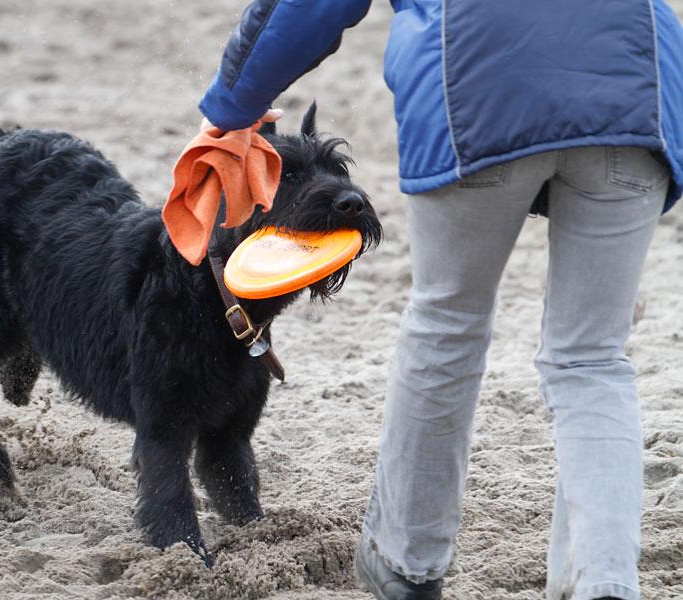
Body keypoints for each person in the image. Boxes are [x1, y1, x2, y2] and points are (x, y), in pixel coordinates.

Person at [194, 2, 683, 600]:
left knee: (447, 324)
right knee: (593, 359)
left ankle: (409, 566)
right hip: (635, 91)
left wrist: (230, 108)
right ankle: (604, 582)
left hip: (478, 83)